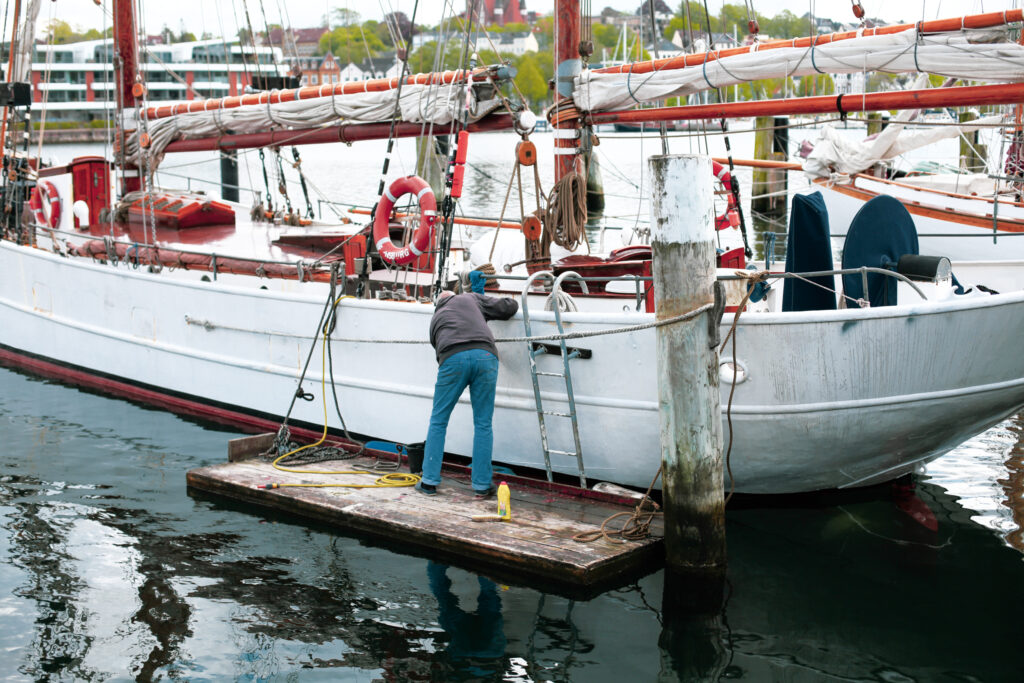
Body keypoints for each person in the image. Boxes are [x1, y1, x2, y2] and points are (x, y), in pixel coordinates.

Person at [417, 286, 518, 497]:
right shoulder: (470, 297)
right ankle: (481, 486)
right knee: (483, 423)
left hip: (452, 359)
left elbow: (438, 349)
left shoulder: (435, 318)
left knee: (438, 420)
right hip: (485, 356)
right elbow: (508, 307)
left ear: (438, 305)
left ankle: (428, 482)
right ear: (454, 295)